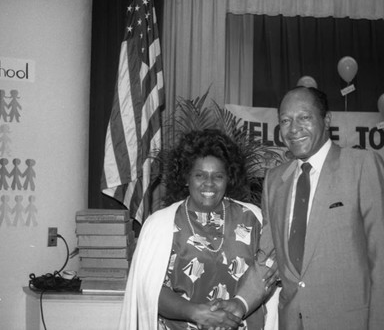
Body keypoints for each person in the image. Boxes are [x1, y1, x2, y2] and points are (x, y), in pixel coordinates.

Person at [213, 86, 384, 329]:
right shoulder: (274, 180)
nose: (293, 129)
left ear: (326, 120)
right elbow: (268, 259)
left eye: (304, 117)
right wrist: (240, 303)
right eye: (285, 120)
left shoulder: (362, 166)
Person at [118, 129, 278, 330]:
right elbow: (148, 289)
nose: (209, 183)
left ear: (228, 178)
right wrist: (195, 313)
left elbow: (269, 272)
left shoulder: (253, 217)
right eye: (200, 175)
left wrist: (239, 306)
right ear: (186, 178)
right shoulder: (159, 224)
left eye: (218, 176)